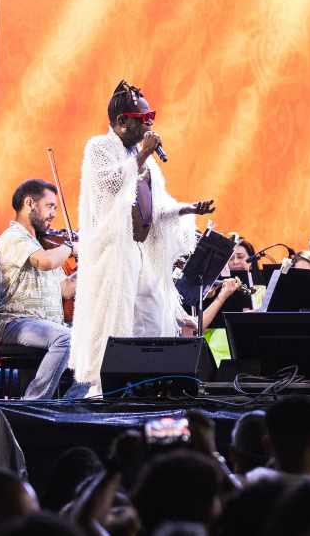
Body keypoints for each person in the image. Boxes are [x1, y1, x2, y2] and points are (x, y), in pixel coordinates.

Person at [70, 81, 215, 392]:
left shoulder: (142, 158)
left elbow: (157, 209)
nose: (150, 122)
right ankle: (105, 391)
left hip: (141, 254)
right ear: (122, 121)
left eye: (152, 115)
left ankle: (150, 385)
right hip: (113, 256)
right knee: (115, 325)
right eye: (144, 116)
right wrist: (143, 156)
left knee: (150, 318)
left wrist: (188, 209)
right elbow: (108, 187)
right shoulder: (98, 148)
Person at [0, 179, 88, 399]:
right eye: (50, 206)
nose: (54, 213)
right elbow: (45, 262)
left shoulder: (40, 244)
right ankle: (34, 404)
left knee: (98, 343)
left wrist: (90, 265)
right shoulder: (13, 237)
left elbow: (65, 289)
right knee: (67, 339)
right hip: (16, 323)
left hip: (45, 325)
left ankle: (69, 410)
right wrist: (70, 247)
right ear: (30, 203)